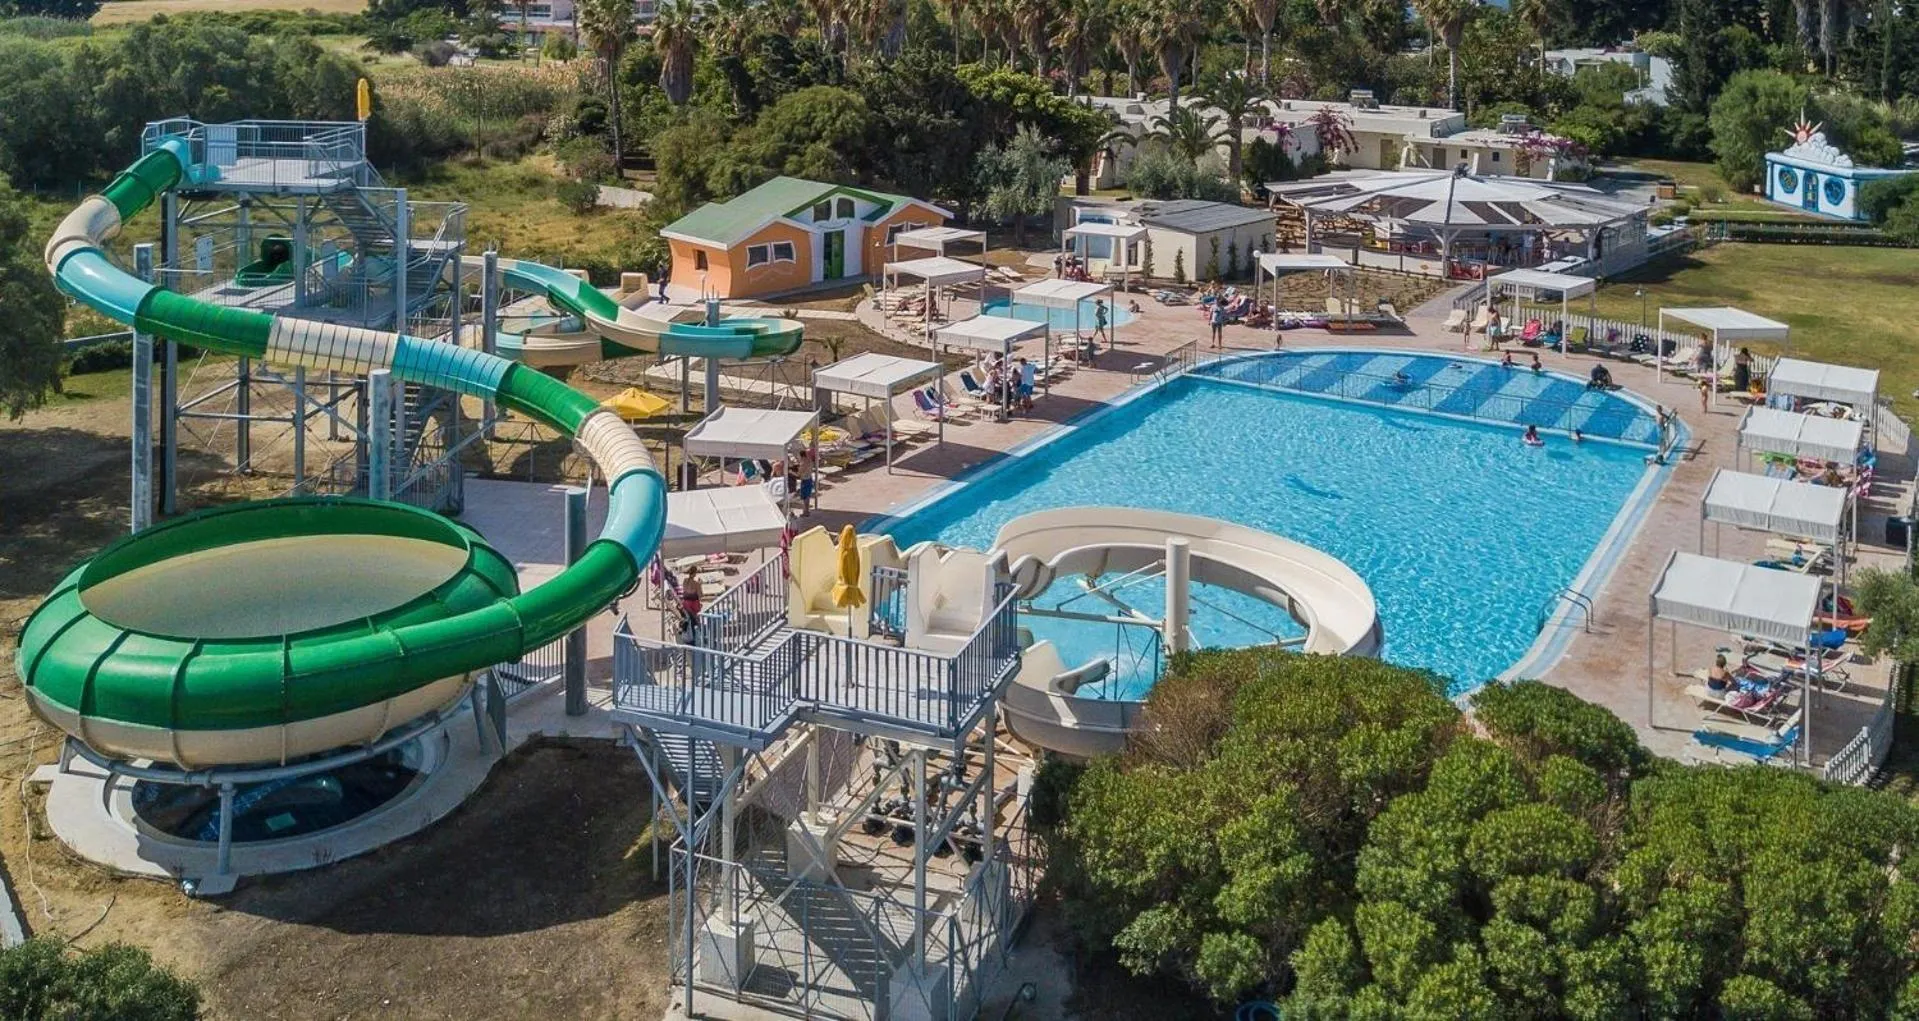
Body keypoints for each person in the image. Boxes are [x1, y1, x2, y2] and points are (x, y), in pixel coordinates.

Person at [795, 449, 817, 515]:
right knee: (807, 496)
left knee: (805, 498)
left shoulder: (803, 464)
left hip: (805, 480)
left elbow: (798, 474)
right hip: (809, 479)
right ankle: (806, 511)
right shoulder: (809, 461)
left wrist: (791, 472)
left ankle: (806, 512)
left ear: (800, 456)